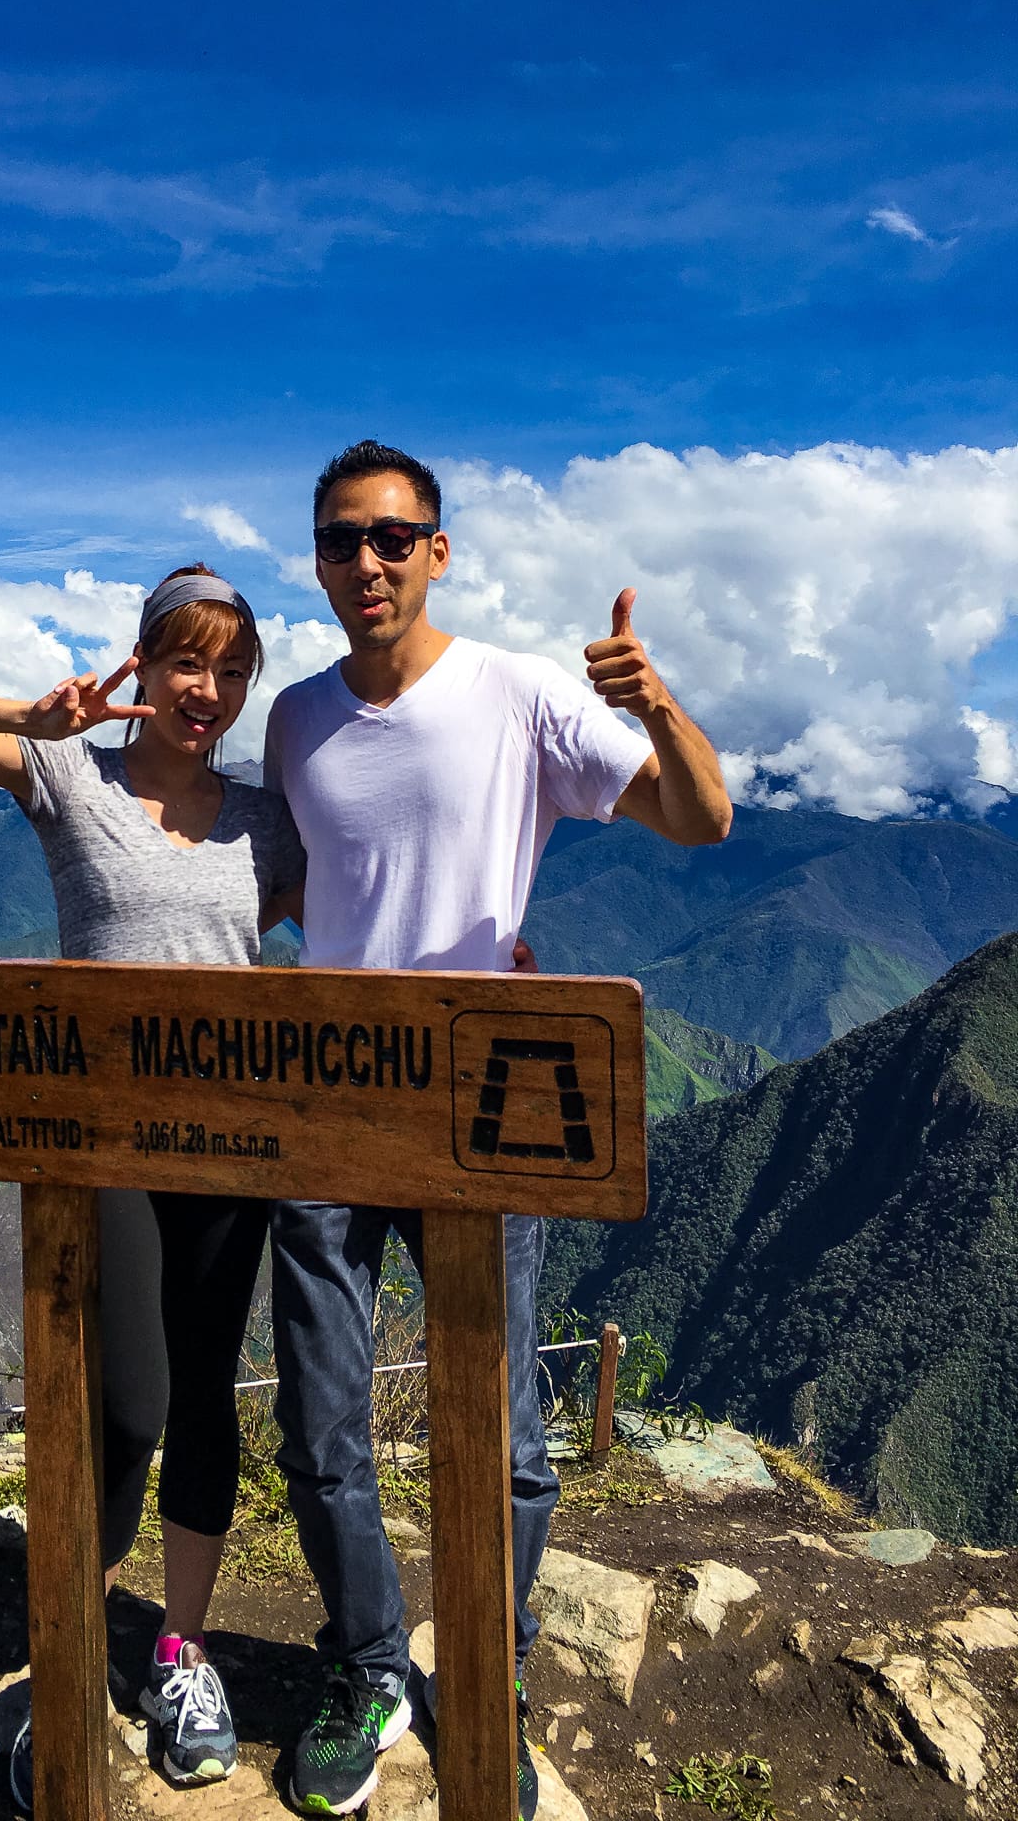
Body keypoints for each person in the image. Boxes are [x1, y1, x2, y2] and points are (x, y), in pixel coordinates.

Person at [263, 440, 732, 1819]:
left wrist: (663, 706)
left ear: (441, 550)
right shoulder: (293, 718)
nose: (370, 563)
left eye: (395, 538)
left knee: (511, 1432)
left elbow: (700, 822)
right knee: (321, 1419)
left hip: (485, 1103)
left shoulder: (522, 694)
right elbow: (300, 880)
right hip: (336, 1104)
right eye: (344, 540)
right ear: (318, 556)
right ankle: (366, 1671)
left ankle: (488, 1673)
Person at [0, 566, 305, 1811]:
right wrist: (35, 714)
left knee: (208, 1397)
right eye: (184, 662)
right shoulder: (69, 776)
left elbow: (360, 914)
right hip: (99, 1142)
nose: (204, 690)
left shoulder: (264, 821)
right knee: (126, 1406)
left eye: (228, 669)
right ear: (143, 667)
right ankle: (63, 1644)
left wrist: (491, 954)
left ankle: (181, 1650)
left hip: (228, 1148)